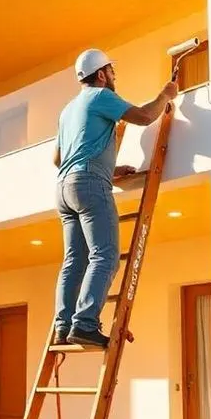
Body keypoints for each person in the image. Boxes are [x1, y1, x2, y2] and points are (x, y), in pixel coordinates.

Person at [53, 48, 178, 348]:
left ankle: (63, 325)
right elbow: (146, 116)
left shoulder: (68, 110)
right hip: (88, 183)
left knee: (75, 260)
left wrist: (108, 168)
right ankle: (84, 324)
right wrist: (166, 94)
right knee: (106, 256)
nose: (114, 76)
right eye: (111, 71)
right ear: (100, 75)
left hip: (64, 188)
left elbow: (58, 158)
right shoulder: (100, 96)